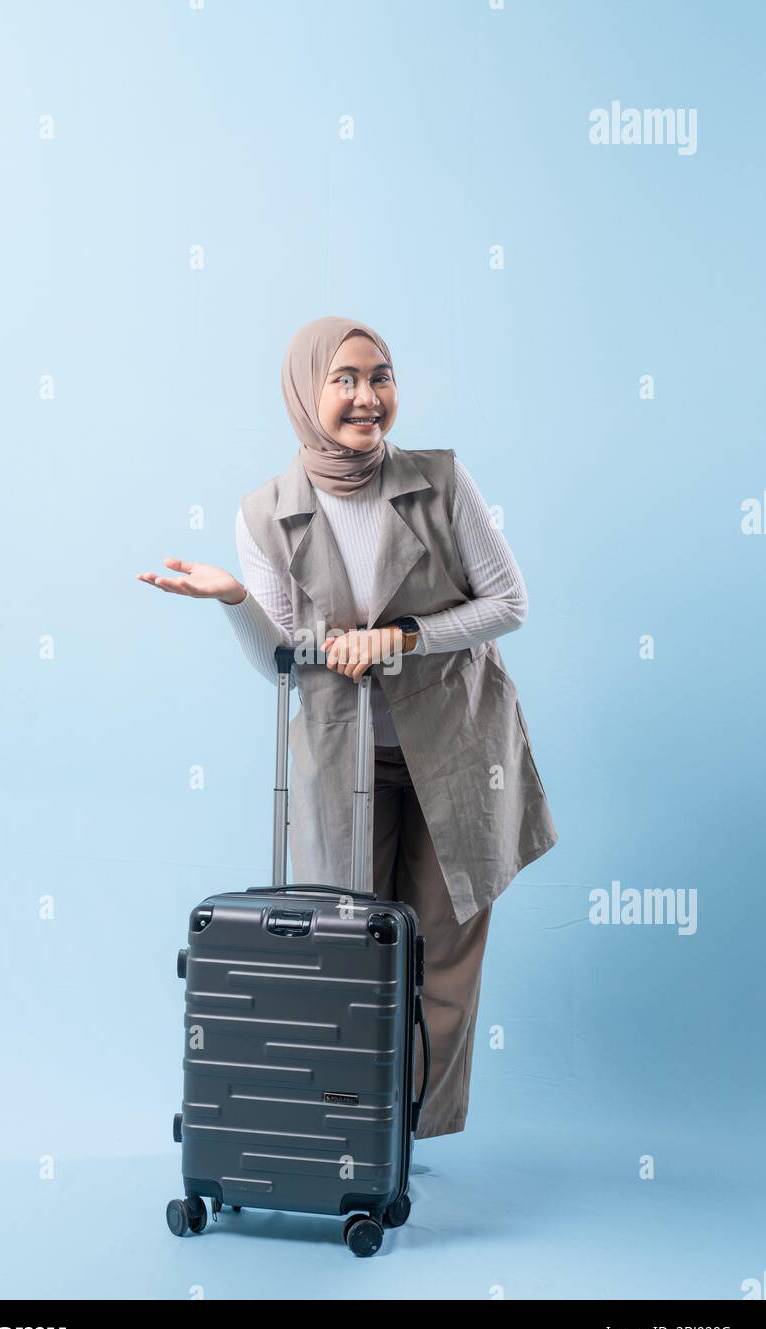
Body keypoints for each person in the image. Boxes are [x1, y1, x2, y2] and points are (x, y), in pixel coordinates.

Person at [138, 315, 558, 1139]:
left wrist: (403, 639)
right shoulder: (265, 514)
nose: (369, 398)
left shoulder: (440, 481)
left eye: (382, 376)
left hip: (460, 753)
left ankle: (405, 1139)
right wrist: (234, 601)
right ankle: (347, 1126)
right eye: (346, 380)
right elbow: (286, 663)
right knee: (348, 951)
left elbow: (510, 603)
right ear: (306, 392)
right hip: (344, 758)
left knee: (441, 951)